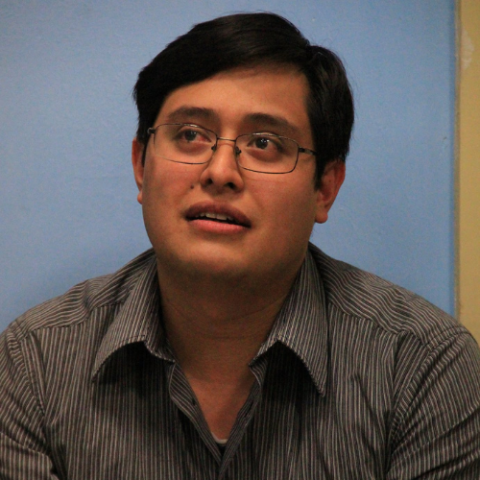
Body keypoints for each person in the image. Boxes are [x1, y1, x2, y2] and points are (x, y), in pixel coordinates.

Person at [1, 12, 479, 479]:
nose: (220, 172)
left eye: (264, 143)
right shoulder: (35, 362)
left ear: (325, 188)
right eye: (190, 135)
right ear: (141, 165)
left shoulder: (422, 367)